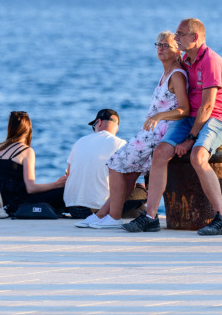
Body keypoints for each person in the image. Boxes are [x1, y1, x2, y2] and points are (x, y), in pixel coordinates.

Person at [123, 18, 222, 235]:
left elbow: (208, 105)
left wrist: (190, 139)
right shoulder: (186, 59)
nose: (175, 38)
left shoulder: (210, 61)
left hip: (217, 116)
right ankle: (150, 217)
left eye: (180, 34)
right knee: (161, 152)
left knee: (197, 156)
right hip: (192, 116)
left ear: (194, 37)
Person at [79, 31, 189, 229]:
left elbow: (184, 109)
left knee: (115, 163)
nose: (161, 49)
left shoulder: (177, 75)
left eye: (166, 45)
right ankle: (104, 214)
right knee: (129, 174)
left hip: (160, 132)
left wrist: (158, 116)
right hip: (151, 131)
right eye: (158, 44)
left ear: (177, 50)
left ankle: (113, 218)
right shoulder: (166, 73)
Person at [0, 111, 68, 215]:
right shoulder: (26, 151)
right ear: (28, 128)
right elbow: (31, 188)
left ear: (10, 127)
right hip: (17, 204)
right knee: (64, 191)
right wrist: (56, 184)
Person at [63, 109, 127, 219]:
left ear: (99, 123)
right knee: (139, 193)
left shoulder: (80, 141)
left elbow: (68, 175)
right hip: (97, 209)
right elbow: (127, 180)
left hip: (73, 209)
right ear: (117, 127)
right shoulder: (120, 143)